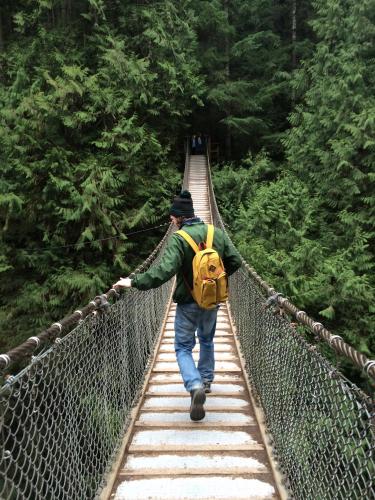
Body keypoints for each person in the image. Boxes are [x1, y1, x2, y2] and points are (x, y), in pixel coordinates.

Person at [113, 191, 242, 421]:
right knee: (206, 339)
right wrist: (216, 280)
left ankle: (194, 386)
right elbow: (235, 261)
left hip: (187, 302)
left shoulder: (179, 239)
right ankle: (206, 380)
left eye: (172, 218)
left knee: (183, 347)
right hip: (212, 301)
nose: (171, 221)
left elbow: (163, 272)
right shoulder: (217, 233)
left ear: (179, 217)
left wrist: (134, 281)